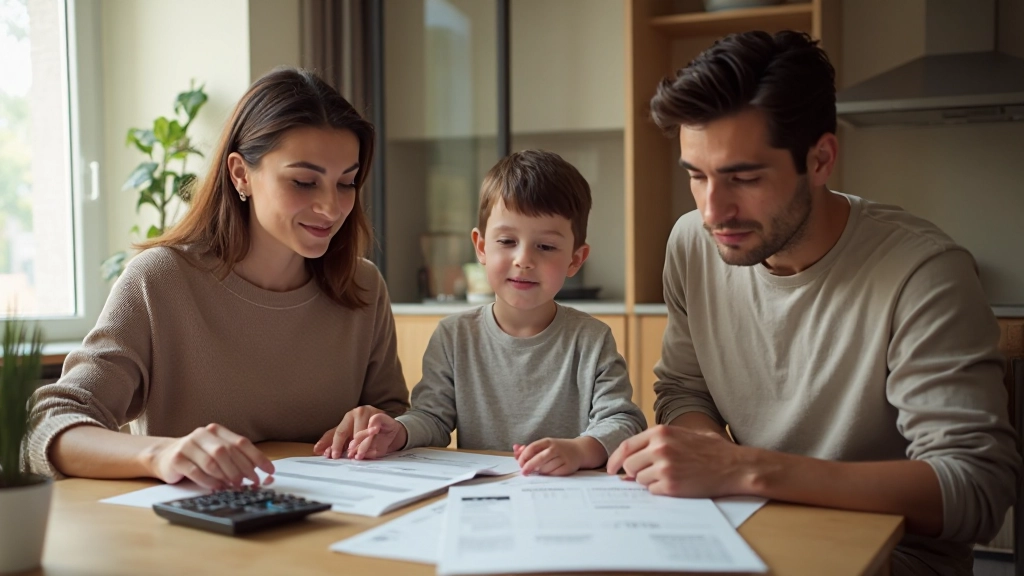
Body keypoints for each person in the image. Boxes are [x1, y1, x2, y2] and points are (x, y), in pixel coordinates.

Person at [605, 31, 1021, 575]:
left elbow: (975, 488)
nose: (713, 212)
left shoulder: (923, 272)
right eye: (697, 177)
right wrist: (706, 455)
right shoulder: (692, 244)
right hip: (746, 525)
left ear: (820, 160)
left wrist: (743, 469)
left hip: (893, 556)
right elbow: (685, 391)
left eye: (744, 177)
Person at [27, 68, 409, 490]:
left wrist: (382, 425)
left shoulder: (363, 286)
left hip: (336, 518)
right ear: (241, 174)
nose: (331, 208)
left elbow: (399, 417)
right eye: (304, 182)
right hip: (194, 522)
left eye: (347, 183)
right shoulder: (160, 280)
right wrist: (160, 454)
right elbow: (49, 423)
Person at [317, 150, 646, 476]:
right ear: (481, 246)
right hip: (482, 492)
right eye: (507, 241)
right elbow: (432, 418)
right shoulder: (454, 336)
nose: (523, 259)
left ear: (575, 259)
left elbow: (624, 421)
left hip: (564, 491)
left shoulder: (592, 340)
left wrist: (579, 450)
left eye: (545, 246)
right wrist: (399, 431)